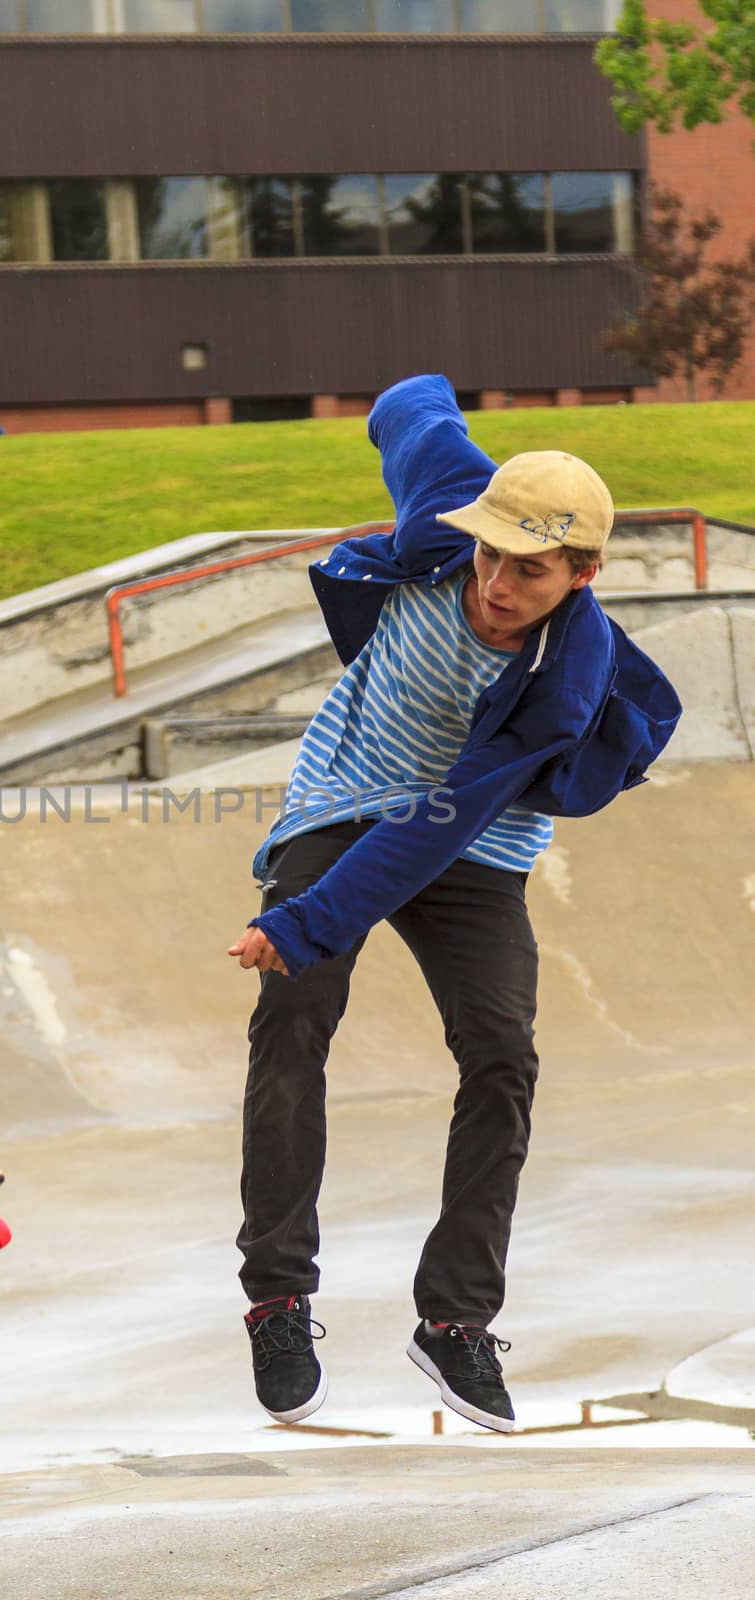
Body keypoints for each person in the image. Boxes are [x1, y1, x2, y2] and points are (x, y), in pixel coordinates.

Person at [227, 374, 681, 1434]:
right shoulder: (452, 509)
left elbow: (439, 822)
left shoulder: (565, 677)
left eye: (529, 572)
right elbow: (414, 411)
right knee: (293, 1010)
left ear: (581, 574)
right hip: (342, 799)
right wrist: (404, 381)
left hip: (471, 833)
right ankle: (277, 1295)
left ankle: (454, 1323)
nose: (494, 583)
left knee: (500, 1053)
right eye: (487, 554)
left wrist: (302, 921)